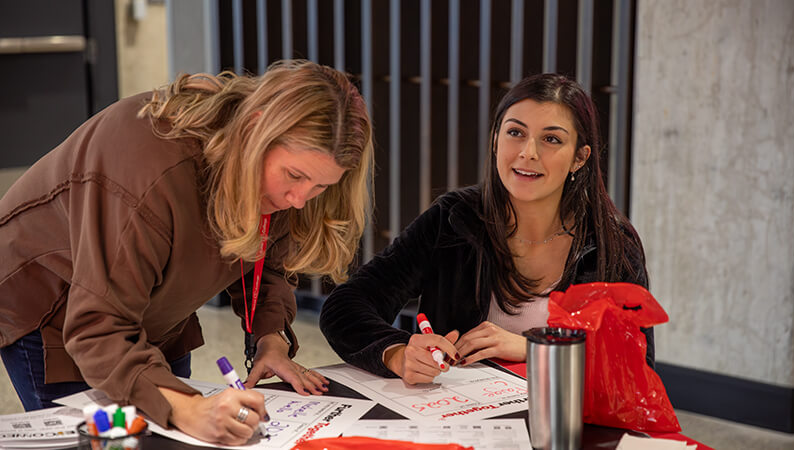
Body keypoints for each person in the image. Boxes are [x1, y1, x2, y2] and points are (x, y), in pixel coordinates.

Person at [0, 60, 373, 445]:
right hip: (54, 314)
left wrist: (270, 336)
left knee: (174, 435)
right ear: (254, 129)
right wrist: (187, 407)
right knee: (110, 441)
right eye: (294, 177)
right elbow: (97, 329)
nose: (299, 200)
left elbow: (267, 258)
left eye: (320, 187)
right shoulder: (148, 170)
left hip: (154, 311)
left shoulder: (290, 171)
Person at [320, 73, 652, 385]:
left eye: (551, 139)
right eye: (515, 132)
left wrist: (535, 348)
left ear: (579, 158)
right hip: (459, 420)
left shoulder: (611, 243)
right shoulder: (454, 219)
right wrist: (395, 352)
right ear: (495, 140)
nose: (528, 152)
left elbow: (636, 366)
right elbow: (345, 306)